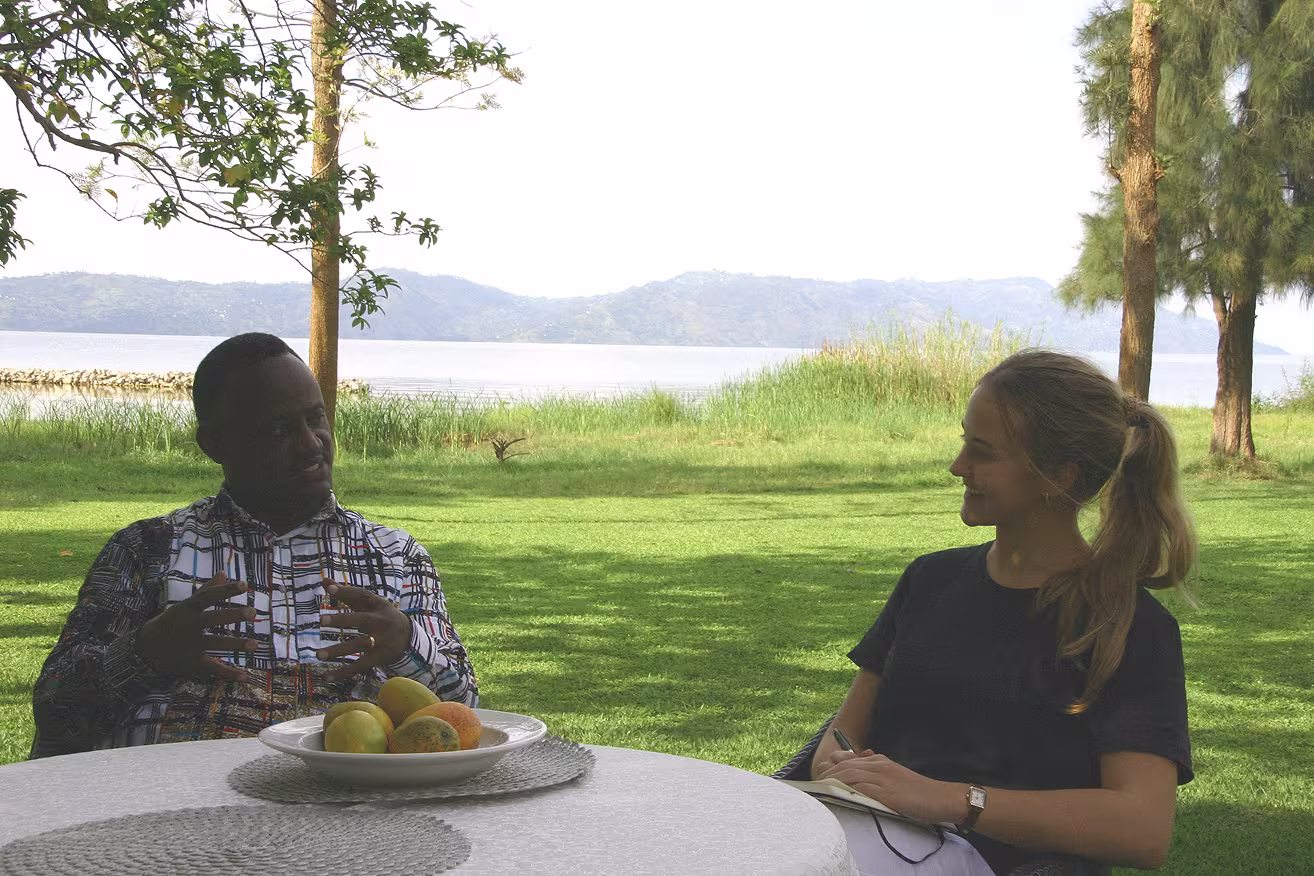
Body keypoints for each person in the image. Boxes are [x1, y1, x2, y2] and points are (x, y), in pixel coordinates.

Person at [812, 350, 1195, 874]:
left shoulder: (1129, 627)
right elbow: (844, 733)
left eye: (982, 451)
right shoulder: (929, 579)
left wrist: (954, 800)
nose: (957, 466)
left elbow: (1142, 828)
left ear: (1057, 475)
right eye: (963, 440)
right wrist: (836, 762)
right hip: (855, 841)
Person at [29, 333, 477, 758]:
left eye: (316, 418)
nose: (311, 445)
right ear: (215, 444)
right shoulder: (147, 549)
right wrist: (146, 649)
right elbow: (56, 711)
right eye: (279, 429)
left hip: (345, 801)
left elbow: (467, 715)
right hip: (174, 804)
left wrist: (406, 643)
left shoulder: (395, 556)